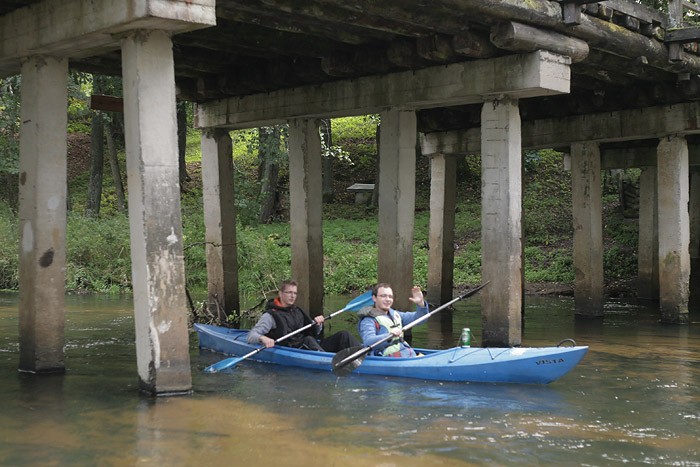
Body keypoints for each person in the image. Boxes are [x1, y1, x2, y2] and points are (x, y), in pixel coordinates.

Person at [247, 279, 360, 352]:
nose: (292, 296)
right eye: (289, 292)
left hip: (309, 346)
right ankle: (328, 361)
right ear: (280, 294)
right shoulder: (270, 315)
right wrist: (263, 338)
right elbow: (251, 335)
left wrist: (318, 324)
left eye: (295, 293)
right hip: (291, 349)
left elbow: (314, 332)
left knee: (344, 335)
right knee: (308, 340)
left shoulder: (298, 310)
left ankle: (366, 355)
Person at [357, 283, 429, 357]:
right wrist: (389, 335)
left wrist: (421, 304)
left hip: (406, 354)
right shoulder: (368, 320)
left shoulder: (396, 314)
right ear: (374, 298)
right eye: (383, 296)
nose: (388, 299)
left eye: (390, 297)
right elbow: (368, 342)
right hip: (387, 359)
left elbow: (420, 319)